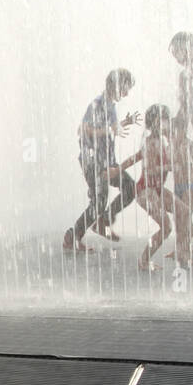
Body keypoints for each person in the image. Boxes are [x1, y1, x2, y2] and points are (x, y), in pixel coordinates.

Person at [63, 68, 139, 252]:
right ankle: (73, 238)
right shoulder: (98, 104)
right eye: (126, 88)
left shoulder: (110, 105)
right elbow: (84, 130)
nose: (127, 93)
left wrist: (123, 124)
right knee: (99, 202)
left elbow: (107, 128)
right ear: (116, 85)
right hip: (94, 163)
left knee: (129, 187)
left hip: (106, 162)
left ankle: (102, 221)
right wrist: (111, 130)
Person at [115, 104, 193, 272]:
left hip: (156, 189)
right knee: (166, 226)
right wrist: (167, 167)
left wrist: (118, 168)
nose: (167, 122)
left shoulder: (159, 140)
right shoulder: (151, 141)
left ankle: (182, 251)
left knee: (184, 212)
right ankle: (143, 260)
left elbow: (136, 156)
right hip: (145, 191)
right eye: (165, 119)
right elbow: (149, 170)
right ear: (156, 121)